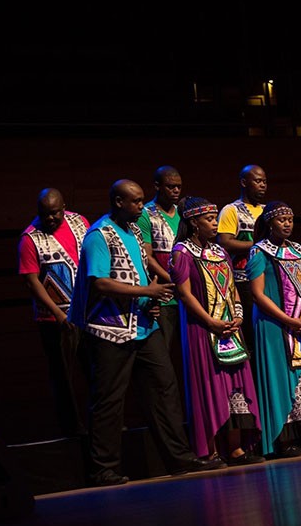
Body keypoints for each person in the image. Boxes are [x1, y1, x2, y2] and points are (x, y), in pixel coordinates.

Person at [69, 179, 226, 486]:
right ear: (118, 202)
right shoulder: (99, 236)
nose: (142, 207)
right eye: (136, 202)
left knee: (164, 390)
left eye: (142, 201)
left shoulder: (136, 232)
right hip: (109, 330)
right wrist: (147, 290)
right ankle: (104, 468)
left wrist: (149, 300)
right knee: (110, 400)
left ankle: (179, 459)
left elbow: (139, 271)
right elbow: (99, 282)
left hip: (143, 325)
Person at [171, 196, 265, 466]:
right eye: (209, 220)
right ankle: (209, 450)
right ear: (193, 223)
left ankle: (235, 448)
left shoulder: (220, 252)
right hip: (202, 329)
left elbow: (233, 288)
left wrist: (237, 314)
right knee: (210, 385)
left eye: (215, 218)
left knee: (236, 383)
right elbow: (185, 295)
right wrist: (210, 322)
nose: (215, 224)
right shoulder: (183, 252)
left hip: (229, 326)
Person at [247, 201, 301, 458]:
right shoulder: (259, 252)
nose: (287, 224)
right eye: (281, 220)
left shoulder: (300, 250)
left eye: (290, 220)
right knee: (282, 378)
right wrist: (287, 319)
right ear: (269, 223)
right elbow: (257, 294)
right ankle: (286, 440)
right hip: (275, 325)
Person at [18, 188, 91, 437]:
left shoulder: (79, 221)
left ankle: (101, 424)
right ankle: (72, 428)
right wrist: (58, 315)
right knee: (63, 377)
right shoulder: (30, 238)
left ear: (63, 208)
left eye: (54, 213)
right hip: (55, 319)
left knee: (97, 371)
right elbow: (32, 281)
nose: (49, 219)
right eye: (44, 214)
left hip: (86, 312)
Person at [217, 164, 268, 361]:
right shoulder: (232, 210)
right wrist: (258, 245)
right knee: (249, 333)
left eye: (264, 181)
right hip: (244, 280)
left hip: (266, 279)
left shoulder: (266, 210)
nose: (262, 185)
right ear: (244, 182)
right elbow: (225, 242)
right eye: (257, 181)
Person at [136, 165, 183, 351]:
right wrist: (171, 280)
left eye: (179, 186)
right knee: (163, 348)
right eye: (171, 186)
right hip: (164, 295)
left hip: (185, 294)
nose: (176, 190)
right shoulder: (146, 214)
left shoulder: (182, 212)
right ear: (157, 186)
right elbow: (147, 257)